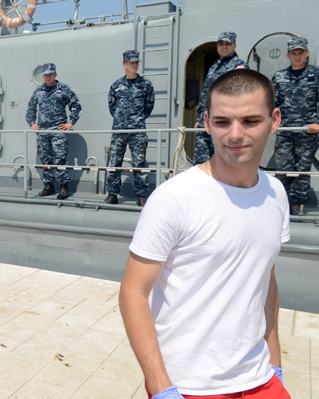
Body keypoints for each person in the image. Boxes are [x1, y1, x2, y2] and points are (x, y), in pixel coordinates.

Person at [119, 68, 290, 399]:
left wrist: (275, 358)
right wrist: (159, 386)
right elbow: (133, 293)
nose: (235, 134)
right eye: (223, 122)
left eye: (251, 121)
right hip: (190, 386)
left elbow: (265, 278)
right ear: (207, 122)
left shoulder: (276, 194)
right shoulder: (174, 199)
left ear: (275, 119)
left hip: (260, 377)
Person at [272, 36, 319, 216]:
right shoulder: (279, 77)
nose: (297, 56)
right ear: (288, 55)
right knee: (284, 169)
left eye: (300, 53)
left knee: (302, 171)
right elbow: (272, 104)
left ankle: (297, 207)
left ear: (307, 53)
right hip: (285, 132)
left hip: (307, 133)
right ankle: (282, 205)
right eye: (294, 53)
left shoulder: (316, 74)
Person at [104, 50, 156, 207]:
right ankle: (112, 194)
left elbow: (149, 106)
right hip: (119, 130)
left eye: (136, 62)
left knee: (139, 163)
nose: (135, 65)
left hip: (138, 130)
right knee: (114, 162)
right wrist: (122, 120)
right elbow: (112, 107)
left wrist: (137, 120)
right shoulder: (116, 86)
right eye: (131, 62)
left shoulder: (146, 85)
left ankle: (141, 196)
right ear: (124, 65)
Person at [25, 63, 82, 200]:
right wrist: (32, 123)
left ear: (55, 74)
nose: (48, 76)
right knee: (45, 159)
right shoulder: (38, 91)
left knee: (60, 159)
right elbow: (31, 109)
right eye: (45, 74)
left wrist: (70, 122)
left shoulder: (64, 89)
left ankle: (64, 187)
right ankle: (49, 186)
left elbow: (76, 106)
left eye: (50, 74)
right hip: (43, 131)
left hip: (58, 130)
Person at [194, 31, 246, 165]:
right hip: (206, 122)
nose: (224, 47)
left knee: (222, 160)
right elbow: (205, 94)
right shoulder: (214, 66)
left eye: (227, 44)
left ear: (234, 45)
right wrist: (199, 119)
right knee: (201, 160)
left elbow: (241, 95)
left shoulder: (239, 66)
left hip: (224, 122)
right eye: (221, 44)